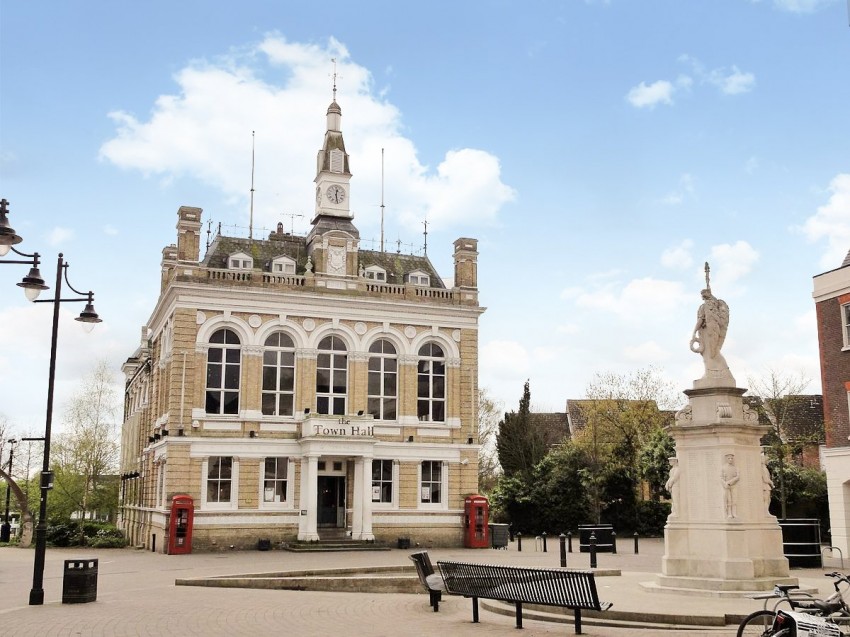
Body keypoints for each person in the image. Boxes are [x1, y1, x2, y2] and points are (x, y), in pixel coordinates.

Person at [721, 454, 739, 519]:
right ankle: (729, 514)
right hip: (726, 486)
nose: (730, 459)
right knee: (729, 500)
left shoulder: (735, 467)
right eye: (729, 458)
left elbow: (737, 477)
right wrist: (725, 484)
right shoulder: (723, 468)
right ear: (726, 459)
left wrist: (729, 482)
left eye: (731, 458)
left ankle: (734, 513)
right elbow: (721, 477)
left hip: (733, 485)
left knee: (734, 500)